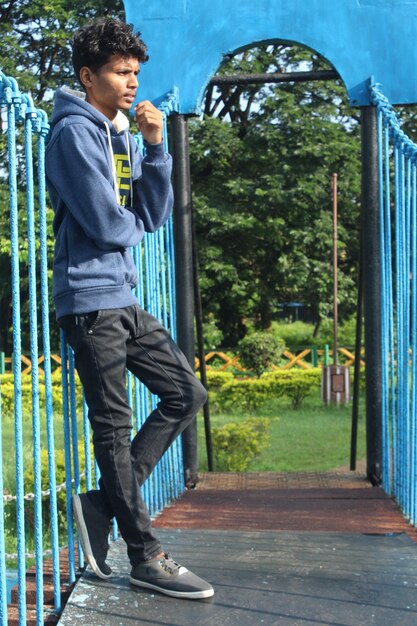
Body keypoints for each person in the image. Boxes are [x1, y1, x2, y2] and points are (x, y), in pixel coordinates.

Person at [45, 18, 213, 600]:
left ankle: (102, 504)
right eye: (120, 71)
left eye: (135, 72)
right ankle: (146, 555)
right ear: (88, 76)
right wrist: (134, 222)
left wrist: (156, 146)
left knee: (186, 392)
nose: (131, 81)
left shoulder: (118, 131)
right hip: (89, 300)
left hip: (121, 295)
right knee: (113, 429)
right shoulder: (72, 132)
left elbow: (152, 212)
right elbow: (106, 221)